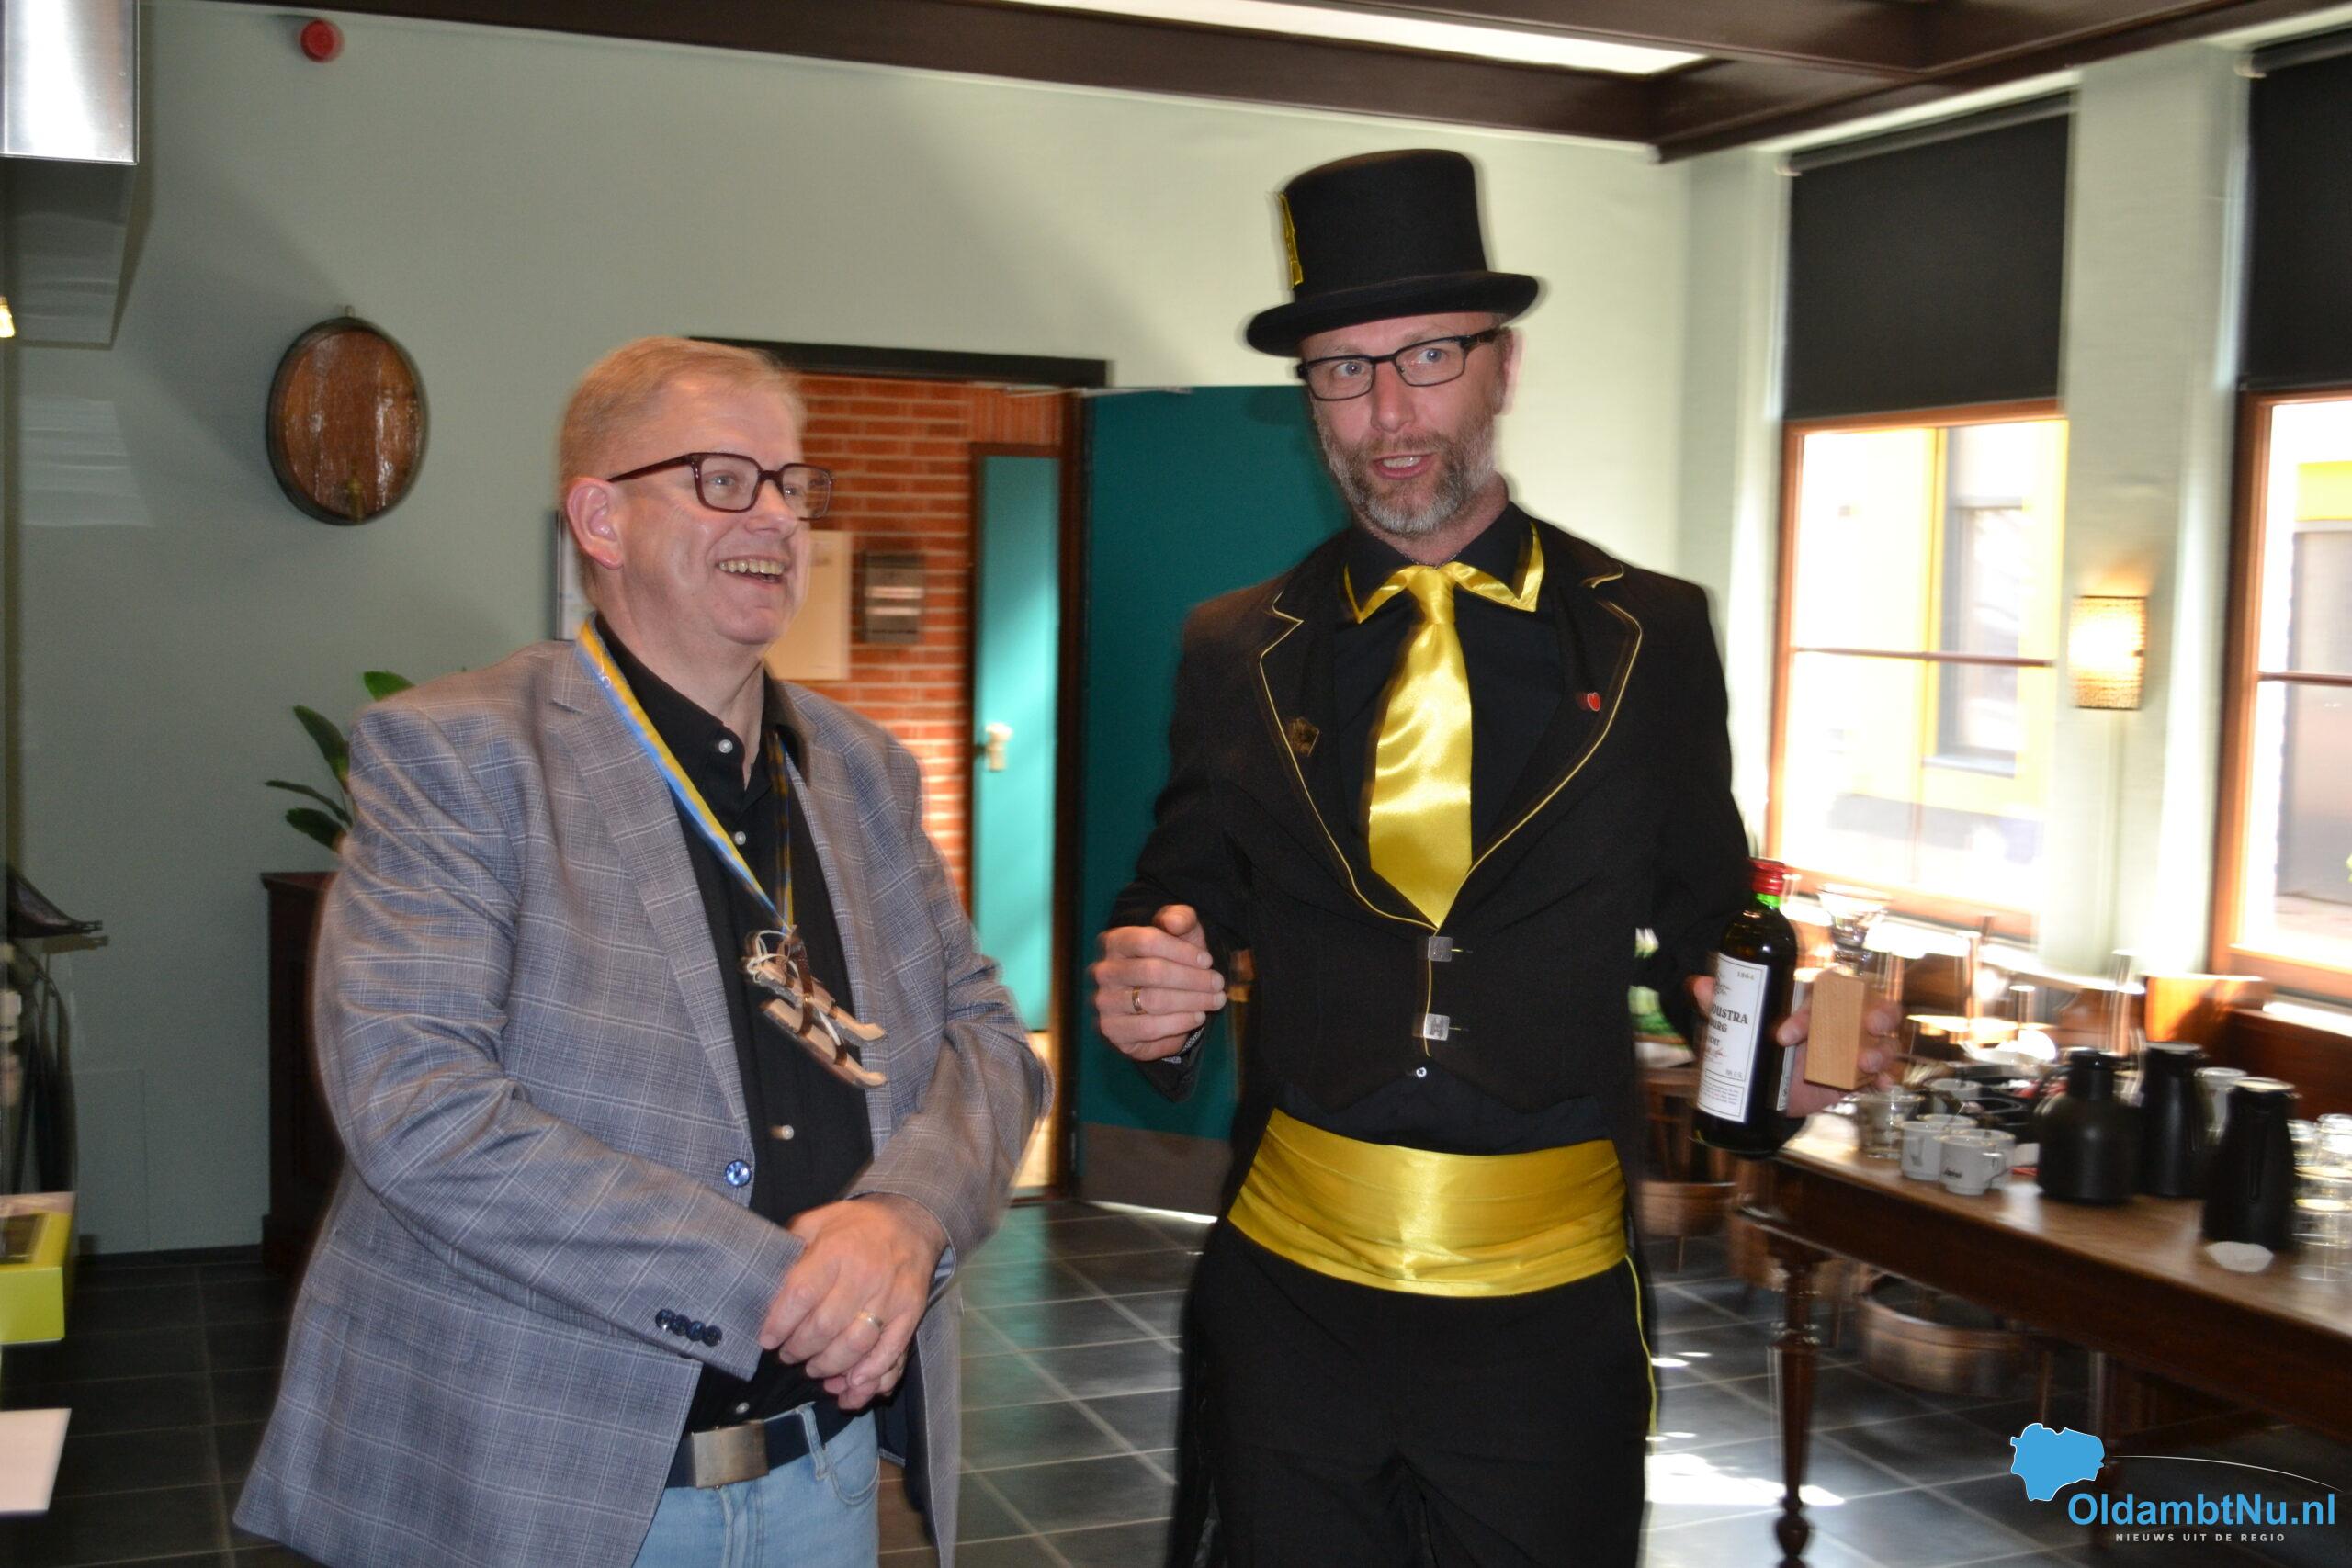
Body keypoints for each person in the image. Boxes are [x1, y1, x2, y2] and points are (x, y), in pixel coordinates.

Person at [1091, 151, 1886, 1568]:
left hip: (1548, 1320)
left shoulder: (1650, 636)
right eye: (1344, 372)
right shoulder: (1237, 647)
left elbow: (1710, 925)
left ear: (1502, 367)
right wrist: (1151, 984)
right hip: (1291, 1310)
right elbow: (1182, 892)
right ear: (1309, 399)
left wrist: (1783, 1059)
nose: (1389, 413)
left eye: (1428, 358)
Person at [237, 337, 1046, 1568]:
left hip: (823, 1474)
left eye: (793, 483)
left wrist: (908, 1218)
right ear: (600, 519)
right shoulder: (461, 753)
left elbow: (988, 1038)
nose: (776, 516)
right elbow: (418, 1109)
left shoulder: (862, 769)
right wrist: (776, 1284)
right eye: (724, 479)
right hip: (550, 1489)